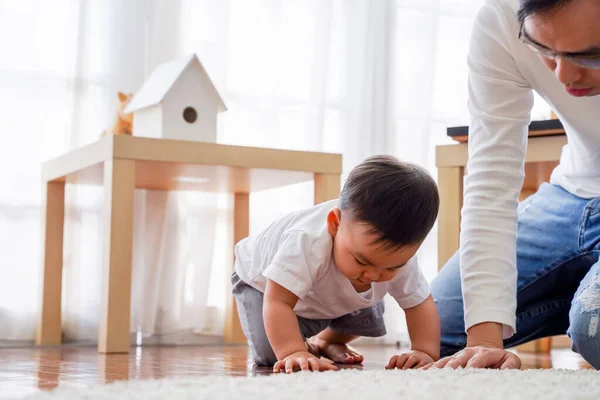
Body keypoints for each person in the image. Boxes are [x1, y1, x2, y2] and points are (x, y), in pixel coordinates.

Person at [430, 0, 600, 370]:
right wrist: (483, 339)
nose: (563, 75)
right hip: (570, 197)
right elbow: (491, 179)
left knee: (595, 328)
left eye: (590, 56)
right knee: (433, 332)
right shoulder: (502, 18)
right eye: (544, 50)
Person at [232, 155, 440, 373]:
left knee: (369, 307)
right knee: (274, 354)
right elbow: (278, 302)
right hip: (263, 286)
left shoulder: (399, 256)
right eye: (362, 260)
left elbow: (419, 303)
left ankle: (327, 341)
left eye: (390, 268)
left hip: (324, 292)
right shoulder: (305, 240)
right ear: (335, 223)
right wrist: (294, 352)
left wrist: (424, 351)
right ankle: (303, 342)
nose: (372, 275)